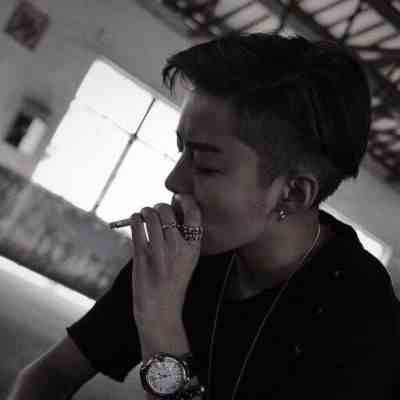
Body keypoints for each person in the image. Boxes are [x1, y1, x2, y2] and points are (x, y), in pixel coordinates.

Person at [8, 32, 400, 400]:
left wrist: (161, 323)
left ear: (293, 193)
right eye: (181, 149)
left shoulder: (364, 327)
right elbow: (47, 376)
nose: (173, 180)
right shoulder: (188, 254)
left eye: (206, 165)